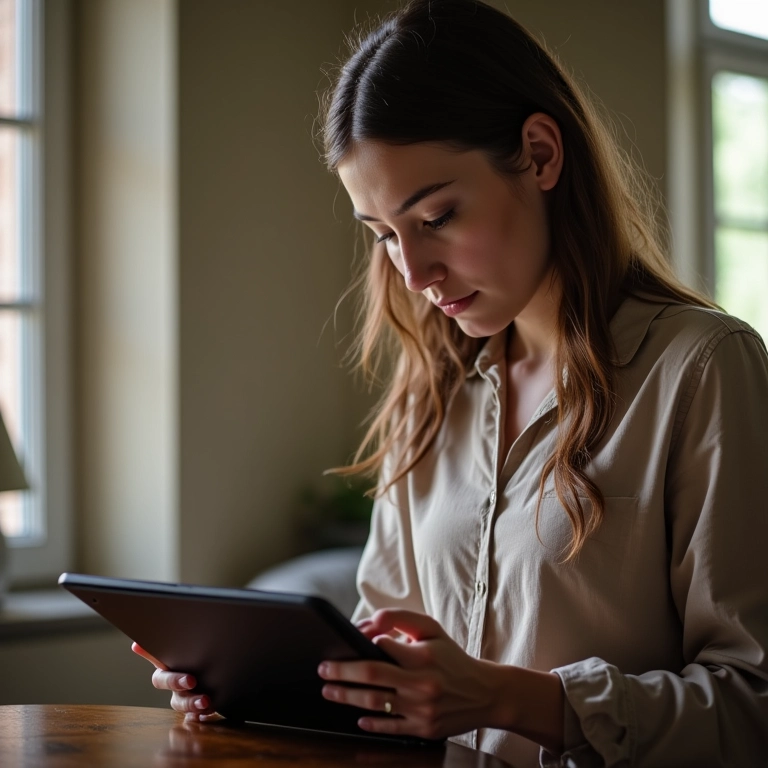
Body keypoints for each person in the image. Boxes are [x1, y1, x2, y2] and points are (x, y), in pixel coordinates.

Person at [133, 0, 768, 765]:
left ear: (539, 155)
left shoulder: (702, 368)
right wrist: (250, 688)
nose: (414, 274)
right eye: (384, 237)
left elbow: (752, 705)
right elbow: (378, 679)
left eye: (436, 216)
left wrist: (511, 699)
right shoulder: (430, 394)